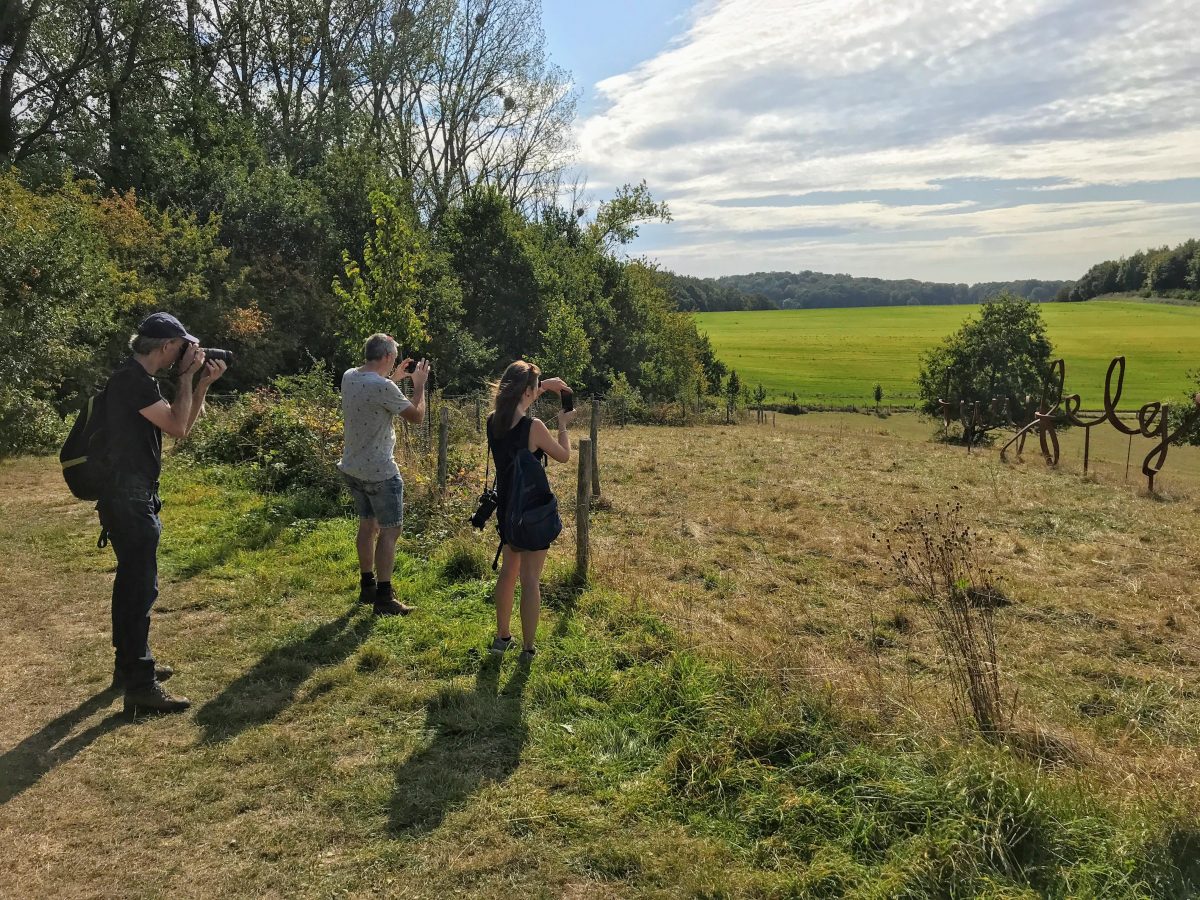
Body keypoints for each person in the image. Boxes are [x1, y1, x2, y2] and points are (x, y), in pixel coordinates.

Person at [101, 312, 227, 714]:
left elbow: (183, 425)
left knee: (134, 584)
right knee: (139, 587)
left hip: (132, 495)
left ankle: (129, 667)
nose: (186, 353)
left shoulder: (139, 381)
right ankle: (140, 684)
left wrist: (200, 383)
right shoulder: (131, 382)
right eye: (182, 346)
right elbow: (175, 426)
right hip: (128, 497)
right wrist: (186, 379)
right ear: (166, 346)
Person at [485, 361, 574, 661]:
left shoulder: (492, 421)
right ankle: (528, 649)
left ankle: (502, 638)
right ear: (526, 391)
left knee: (508, 573)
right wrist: (563, 424)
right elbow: (563, 456)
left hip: (507, 510)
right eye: (535, 389)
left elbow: (522, 397)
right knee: (531, 579)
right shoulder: (534, 428)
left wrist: (544, 384)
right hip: (532, 511)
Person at [338, 333, 429, 616]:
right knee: (390, 532)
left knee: (367, 526)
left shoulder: (350, 375)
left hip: (352, 467)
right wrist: (419, 386)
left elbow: (376, 391)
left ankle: (368, 585)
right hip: (380, 471)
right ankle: (384, 598)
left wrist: (395, 378)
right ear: (388, 357)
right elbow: (416, 417)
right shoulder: (383, 386)